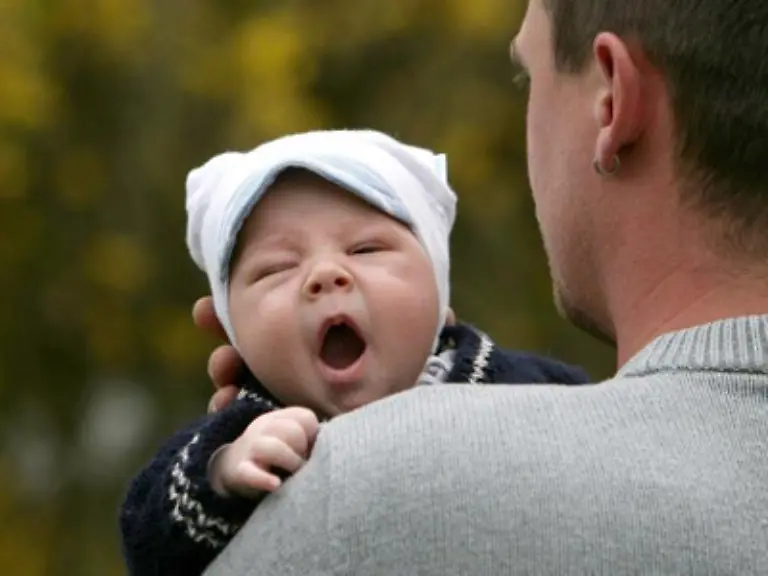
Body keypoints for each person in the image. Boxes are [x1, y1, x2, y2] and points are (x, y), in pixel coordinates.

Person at [195, 0, 768, 574]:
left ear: (611, 101)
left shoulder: (358, 492)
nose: (326, 276)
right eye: (275, 269)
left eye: (528, 75)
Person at [118, 130, 591, 575]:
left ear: (437, 284)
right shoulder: (245, 433)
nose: (325, 275)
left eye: (366, 249)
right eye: (276, 269)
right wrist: (222, 474)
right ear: (230, 327)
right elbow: (146, 540)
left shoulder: (532, 392)